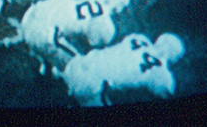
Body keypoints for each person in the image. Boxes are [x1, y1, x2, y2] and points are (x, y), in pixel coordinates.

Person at [0, 0, 131, 75]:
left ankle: (41, 57)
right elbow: (92, 45)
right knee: (82, 68)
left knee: (61, 28)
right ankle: (52, 71)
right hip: (40, 36)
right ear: (117, 5)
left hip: (31, 13)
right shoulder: (104, 24)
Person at [53, 32, 184, 107]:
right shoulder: (162, 75)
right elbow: (165, 93)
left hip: (78, 64)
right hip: (94, 86)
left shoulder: (137, 38)